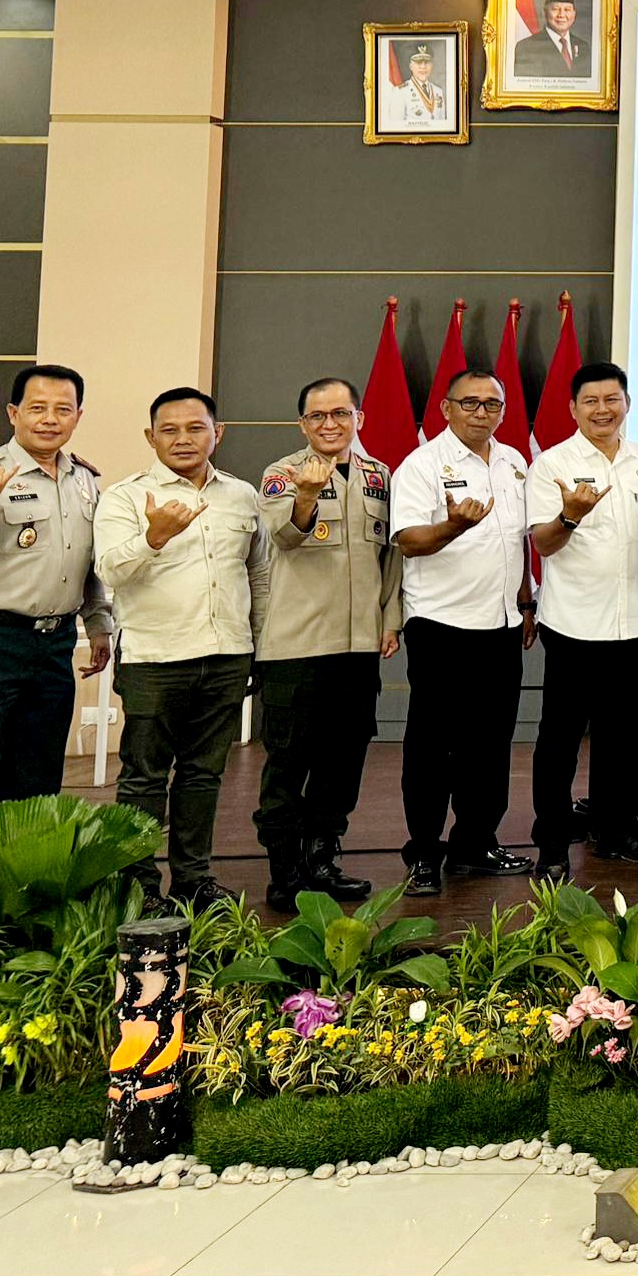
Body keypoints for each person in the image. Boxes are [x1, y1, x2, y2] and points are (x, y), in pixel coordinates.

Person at [94, 387, 268, 905]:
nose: (183, 439)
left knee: (202, 775)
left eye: (195, 428)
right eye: (168, 430)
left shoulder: (241, 495)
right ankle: (138, 887)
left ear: (218, 433)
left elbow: (258, 574)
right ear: (151, 437)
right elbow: (109, 571)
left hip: (227, 654)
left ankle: (193, 881)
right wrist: (153, 537)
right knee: (144, 779)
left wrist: (258, 643)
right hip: (154, 659)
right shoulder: (125, 497)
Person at [252, 377, 402, 913]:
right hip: (297, 647)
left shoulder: (380, 476)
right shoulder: (282, 474)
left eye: (340, 413)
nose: (330, 424)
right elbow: (285, 536)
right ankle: (284, 871)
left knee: (343, 764)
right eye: (318, 416)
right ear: (303, 424)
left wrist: (390, 620)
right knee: (288, 766)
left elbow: (391, 558)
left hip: (357, 648)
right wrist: (307, 496)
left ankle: (322, 860)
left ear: (359, 418)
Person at [390, 369, 536, 895]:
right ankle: (424, 852)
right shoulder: (423, 465)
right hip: (442, 625)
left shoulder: (514, 462)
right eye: (469, 403)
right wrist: (454, 526)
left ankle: (475, 842)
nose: (481, 412)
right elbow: (408, 540)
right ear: (446, 409)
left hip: (500, 624)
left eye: (492, 404)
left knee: (491, 745)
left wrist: (526, 602)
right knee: (433, 747)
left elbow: (517, 542)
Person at [526, 362, 638, 874]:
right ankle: (552, 842)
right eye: (591, 401)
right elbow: (543, 543)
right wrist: (571, 516)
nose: (602, 410)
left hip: (637, 621)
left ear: (627, 404)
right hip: (574, 624)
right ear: (573, 408)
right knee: (560, 739)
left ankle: (616, 830)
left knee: (623, 737)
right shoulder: (552, 464)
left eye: (612, 400)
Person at [0, 363, 112, 807]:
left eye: (62, 410)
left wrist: (99, 623)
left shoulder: (85, 480)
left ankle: (25, 855)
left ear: (78, 416)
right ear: (13, 413)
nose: (50, 419)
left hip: (55, 644)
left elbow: (87, 562)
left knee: (38, 775)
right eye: (37, 408)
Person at [512, 0, 590, 80]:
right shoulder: (527, 47)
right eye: (555, 9)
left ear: (574, 13)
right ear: (545, 12)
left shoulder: (583, 47)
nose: (561, 15)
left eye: (567, 10)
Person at [383, 42, 448, 131]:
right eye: (418, 62)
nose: (423, 66)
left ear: (432, 65)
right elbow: (396, 129)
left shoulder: (438, 91)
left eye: (427, 62)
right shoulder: (400, 92)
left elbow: (443, 126)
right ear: (411, 66)